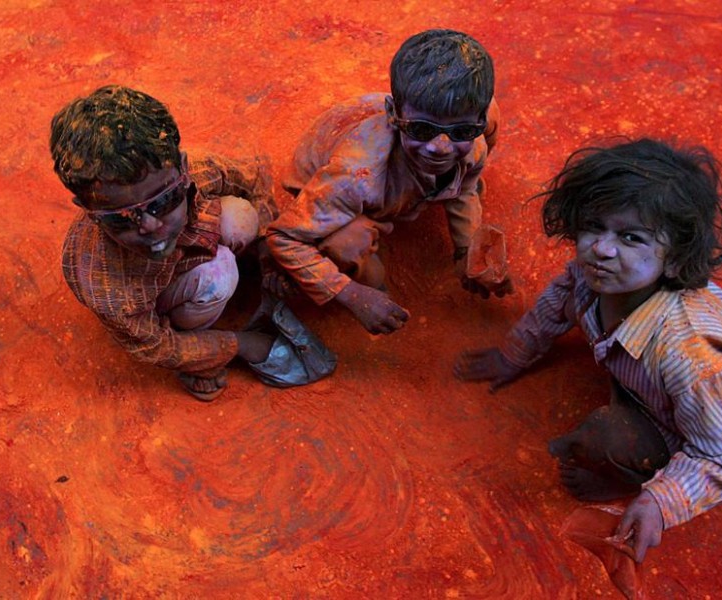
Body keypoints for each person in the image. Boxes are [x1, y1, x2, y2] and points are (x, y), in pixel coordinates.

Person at [454, 138, 722, 563]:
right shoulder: (595, 277)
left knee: (607, 437)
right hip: (662, 387)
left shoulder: (691, 358)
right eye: (595, 226)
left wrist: (660, 500)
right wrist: (515, 354)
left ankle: (626, 477)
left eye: (630, 236)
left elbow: (720, 452)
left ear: (674, 261)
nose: (602, 248)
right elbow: (556, 302)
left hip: (701, 417)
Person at [265, 29, 513, 335]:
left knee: (470, 155)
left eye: (462, 131)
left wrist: (467, 252)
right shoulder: (356, 176)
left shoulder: (481, 125)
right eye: (423, 130)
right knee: (348, 246)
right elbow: (283, 238)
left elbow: (467, 185)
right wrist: (352, 294)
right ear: (393, 115)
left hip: (389, 161)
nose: (442, 146)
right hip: (334, 176)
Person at [50, 85, 279, 401]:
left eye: (165, 201)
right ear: (88, 211)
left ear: (184, 170)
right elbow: (156, 346)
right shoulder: (105, 287)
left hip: (185, 248)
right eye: (121, 218)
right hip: (150, 295)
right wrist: (237, 344)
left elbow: (254, 181)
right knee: (219, 274)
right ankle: (193, 335)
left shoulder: (201, 170)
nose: (151, 227)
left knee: (241, 217)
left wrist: (268, 253)